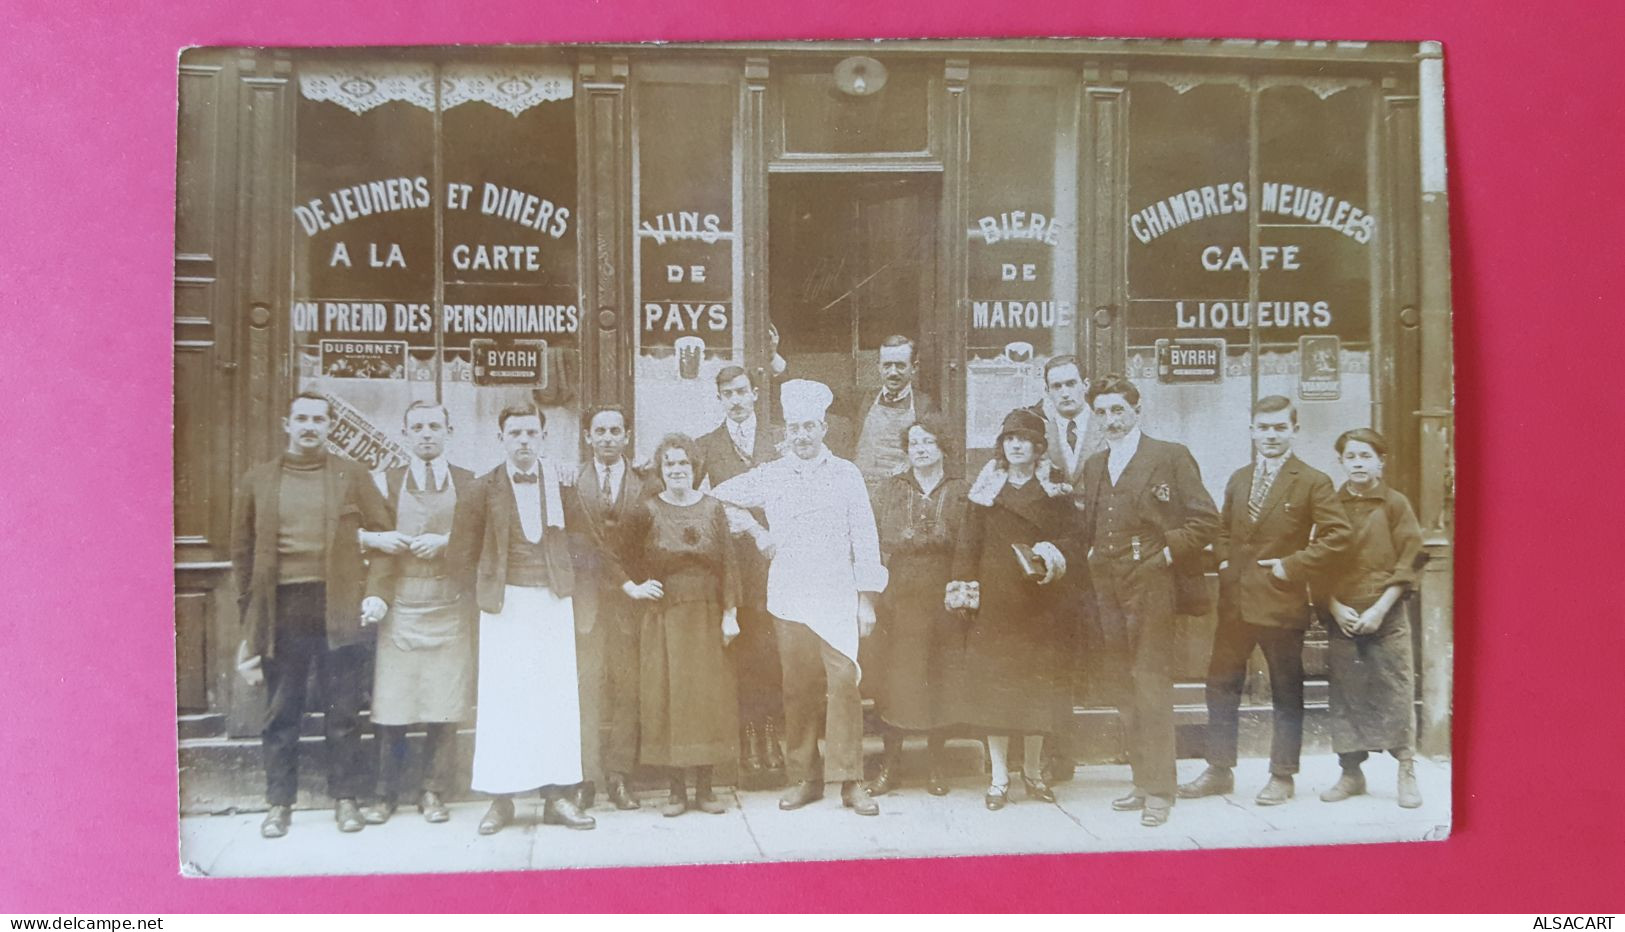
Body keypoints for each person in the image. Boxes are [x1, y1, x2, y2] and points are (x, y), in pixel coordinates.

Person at [711, 379, 888, 817]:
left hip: (836, 597)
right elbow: (715, 498)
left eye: (809, 426)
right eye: (794, 428)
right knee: (798, 690)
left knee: (844, 684)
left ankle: (850, 780)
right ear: (785, 432)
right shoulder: (772, 474)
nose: (802, 436)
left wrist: (866, 600)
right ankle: (804, 778)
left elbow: (865, 537)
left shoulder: (846, 474)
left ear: (823, 428)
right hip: (790, 596)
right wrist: (756, 532)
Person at [1180, 396, 1353, 807]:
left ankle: (1282, 775)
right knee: (1221, 686)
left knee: (1285, 690)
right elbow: (1222, 528)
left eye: (1279, 428)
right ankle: (1219, 769)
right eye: (1263, 427)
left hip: (1280, 603)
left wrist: (1292, 566)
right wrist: (1223, 560)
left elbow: (1339, 536)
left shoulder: (1313, 481)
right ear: (1252, 430)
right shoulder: (1240, 478)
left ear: (1294, 430)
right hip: (1235, 603)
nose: (1271, 436)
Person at [230, 391, 389, 839]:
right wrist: (252, 617)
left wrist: (375, 592)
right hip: (283, 608)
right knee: (282, 711)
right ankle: (279, 804)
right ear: (287, 423)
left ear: (330, 426)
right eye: (301, 418)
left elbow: (383, 537)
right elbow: (240, 554)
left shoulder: (352, 475)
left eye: (319, 419)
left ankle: (346, 800)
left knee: (343, 711)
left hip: (339, 605)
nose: (310, 427)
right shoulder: (258, 480)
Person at [1075, 375, 1219, 827]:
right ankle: (1141, 779)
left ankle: (1161, 789)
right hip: (1107, 583)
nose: (1110, 420)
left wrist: (1166, 554)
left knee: (1151, 681)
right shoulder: (1096, 464)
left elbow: (1206, 521)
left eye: (1118, 410)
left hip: (1152, 581)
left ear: (1137, 410)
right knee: (1122, 682)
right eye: (1101, 412)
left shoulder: (1169, 456)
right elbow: (1090, 527)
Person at [449, 403, 597, 834]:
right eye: (515, 433)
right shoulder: (481, 490)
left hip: (552, 602)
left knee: (555, 700)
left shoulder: (562, 486)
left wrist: (572, 593)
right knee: (504, 702)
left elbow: (584, 545)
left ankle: (557, 797)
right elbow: (460, 556)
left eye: (532, 433)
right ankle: (501, 799)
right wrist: (487, 595)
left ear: (543, 437)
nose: (524, 441)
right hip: (505, 605)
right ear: (502, 439)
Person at [356, 401, 476, 826]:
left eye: (434, 426)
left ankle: (433, 792)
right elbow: (370, 543)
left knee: (444, 707)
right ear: (405, 433)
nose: (427, 433)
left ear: (449, 431)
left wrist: (446, 541)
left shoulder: (467, 482)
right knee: (393, 706)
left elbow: (480, 540)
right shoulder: (385, 482)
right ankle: (385, 794)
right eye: (418, 427)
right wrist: (377, 584)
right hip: (401, 606)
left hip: (450, 606)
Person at [948, 408, 1073, 810]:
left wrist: (1050, 555)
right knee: (994, 693)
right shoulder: (985, 490)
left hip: (1039, 601)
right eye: (1009, 438)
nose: (1016, 445)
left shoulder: (1056, 489)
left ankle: (1033, 774)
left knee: (1035, 691)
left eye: (1024, 438)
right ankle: (999, 778)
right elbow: (968, 545)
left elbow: (1072, 542)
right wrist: (966, 593)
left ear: (1039, 446)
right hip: (996, 602)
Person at [614, 434, 743, 816]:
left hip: (705, 612)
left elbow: (729, 564)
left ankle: (704, 788)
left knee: (705, 698)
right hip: (664, 615)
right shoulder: (646, 510)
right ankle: (676, 791)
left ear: (695, 468)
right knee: (668, 698)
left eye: (683, 464)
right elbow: (616, 554)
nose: (676, 471)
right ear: (660, 470)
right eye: (669, 464)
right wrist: (633, 587)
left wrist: (731, 612)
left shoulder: (714, 509)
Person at [1313, 428, 1426, 809]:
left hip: (1387, 616)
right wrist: (1334, 607)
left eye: (1366, 456)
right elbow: (1317, 562)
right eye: (1351, 456)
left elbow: (1410, 558)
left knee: (1395, 688)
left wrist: (1380, 609)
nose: (1358, 463)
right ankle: (1350, 773)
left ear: (1381, 461)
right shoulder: (1330, 505)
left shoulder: (1395, 505)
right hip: (1344, 615)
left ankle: (1406, 770)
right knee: (1347, 693)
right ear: (1341, 462)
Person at [864, 414, 969, 797]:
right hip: (900, 597)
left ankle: (935, 767)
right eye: (914, 443)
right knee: (896, 683)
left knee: (938, 680)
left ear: (942, 447)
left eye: (928, 441)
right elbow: (874, 540)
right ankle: (890, 767)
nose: (921, 449)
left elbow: (970, 544)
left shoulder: (960, 491)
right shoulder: (892, 490)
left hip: (943, 597)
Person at [694, 366, 786, 779]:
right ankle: (749, 736)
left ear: (755, 395)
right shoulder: (706, 446)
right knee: (746, 652)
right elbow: (696, 503)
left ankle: (771, 735)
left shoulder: (781, 440)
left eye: (742, 392)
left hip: (779, 560)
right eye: (727, 393)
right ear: (719, 399)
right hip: (734, 565)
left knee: (774, 651)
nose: (735, 399)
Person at [571, 405, 656, 812]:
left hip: (629, 606)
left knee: (628, 691)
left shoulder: (645, 484)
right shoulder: (570, 484)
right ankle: (587, 777)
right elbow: (576, 545)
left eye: (614, 431)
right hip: (586, 604)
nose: (607, 437)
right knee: (587, 692)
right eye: (599, 431)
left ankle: (620, 776)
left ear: (627, 436)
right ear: (588, 436)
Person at [852, 335, 938, 487]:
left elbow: (933, 456)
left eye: (900, 366)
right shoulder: (863, 400)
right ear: (878, 367)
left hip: (902, 492)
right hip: (862, 490)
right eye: (887, 365)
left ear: (914, 367)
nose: (893, 372)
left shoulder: (925, 405)